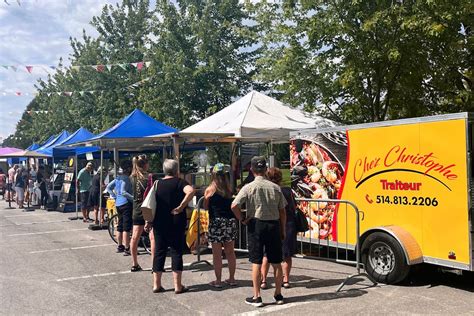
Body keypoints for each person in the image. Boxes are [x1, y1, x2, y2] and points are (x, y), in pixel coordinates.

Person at [231, 156, 287, 307]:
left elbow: (234, 205)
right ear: (265, 169)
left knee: (256, 261)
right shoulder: (275, 187)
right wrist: (282, 229)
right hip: (273, 225)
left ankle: (257, 296)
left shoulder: (249, 187)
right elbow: (282, 211)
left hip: (256, 224)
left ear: (252, 169)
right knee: (276, 261)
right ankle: (278, 294)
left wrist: (242, 219)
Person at [148, 159, 195, 294]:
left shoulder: (157, 184)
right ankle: (177, 286)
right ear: (176, 170)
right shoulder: (180, 182)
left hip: (159, 221)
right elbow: (191, 191)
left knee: (159, 251)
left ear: (164, 170)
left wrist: (148, 221)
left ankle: (156, 284)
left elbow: (151, 203)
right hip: (176, 220)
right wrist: (181, 206)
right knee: (176, 251)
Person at [260, 167, 298, 289]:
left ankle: (264, 280)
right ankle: (286, 280)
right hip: (288, 224)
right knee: (287, 254)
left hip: (272, 223)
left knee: (266, 254)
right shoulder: (287, 191)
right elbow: (293, 207)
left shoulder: (268, 190)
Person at [204, 163, 237, 288]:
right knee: (230, 252)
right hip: (230, 221)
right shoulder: (229, 189)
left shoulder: (210, 189)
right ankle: (232, 278)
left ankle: (218, 280)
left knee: (217, 254)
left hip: (216, 221)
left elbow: (206, 207)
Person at [130, 155, 155, 272]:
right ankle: (155, 264)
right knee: (152, 237)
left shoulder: (132, 177)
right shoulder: (149, 177)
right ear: (145, 164)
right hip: (147, 208)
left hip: (136, 209)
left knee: (135, 236)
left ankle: (134, 263)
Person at [106, 160, 133, 255]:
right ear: (129, 168)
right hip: (126, 204)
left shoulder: (118, 178)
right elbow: (124, 191)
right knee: (126, 227)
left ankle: (120, 246)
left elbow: (108, 187)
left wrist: (114, 196)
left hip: (118, 204)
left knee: (120, 226)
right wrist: (134, 199)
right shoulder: (126, 178)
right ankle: (127, 248)